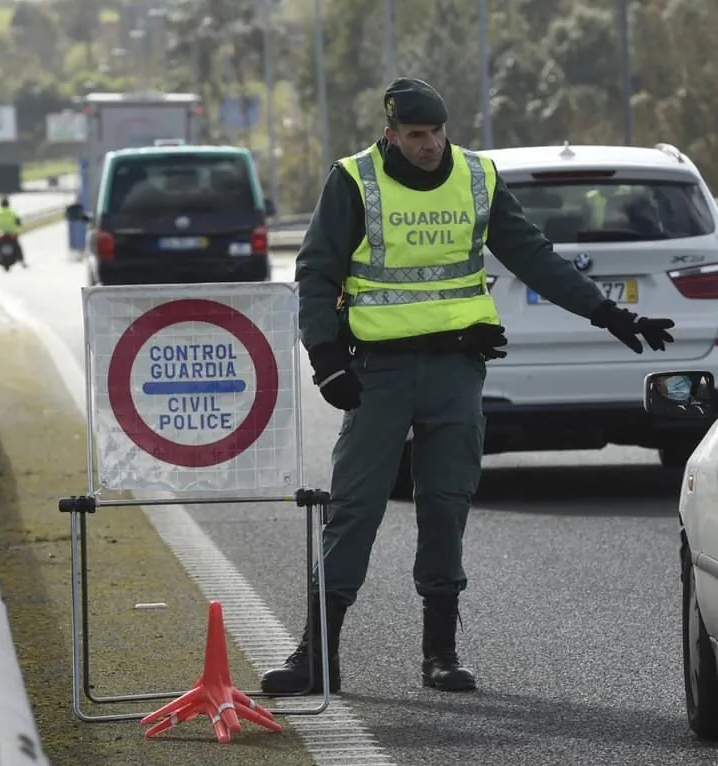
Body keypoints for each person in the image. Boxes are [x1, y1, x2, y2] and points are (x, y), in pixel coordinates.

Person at [261, 77, 677, 697]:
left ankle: (441, 656)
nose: (429, 146)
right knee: (354, 509)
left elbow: (533, 255)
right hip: (379, 374)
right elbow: (317, 271)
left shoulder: (477, 178)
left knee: (446, 507)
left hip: (456, 371)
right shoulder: (354, 181)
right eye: (415, 136)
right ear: (391, 134)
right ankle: (316, 654)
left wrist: (610, 314)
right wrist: (325, 358)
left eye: (436, 133)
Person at [0, 197, 24, 268]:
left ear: (1, 204)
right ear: (8, 204)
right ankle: (22, 262)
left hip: (0, 234)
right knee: (18, 247)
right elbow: (19, 223)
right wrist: (17, 232)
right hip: (11, 234)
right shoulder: (13, 212)